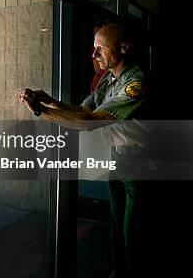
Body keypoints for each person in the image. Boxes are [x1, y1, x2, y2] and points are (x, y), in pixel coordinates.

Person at [18, 23, 154, 277]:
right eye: (93, 49)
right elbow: (83, 110)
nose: (93, 56)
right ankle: (120, 271)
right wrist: (48, 100)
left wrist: (40, 111)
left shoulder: (137, 83)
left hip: (140, 165)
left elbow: (89, 122)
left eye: (100, 49)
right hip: (119, 159)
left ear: (123, 47)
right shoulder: (109, 78)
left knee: (132, 234)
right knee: (115, 228)